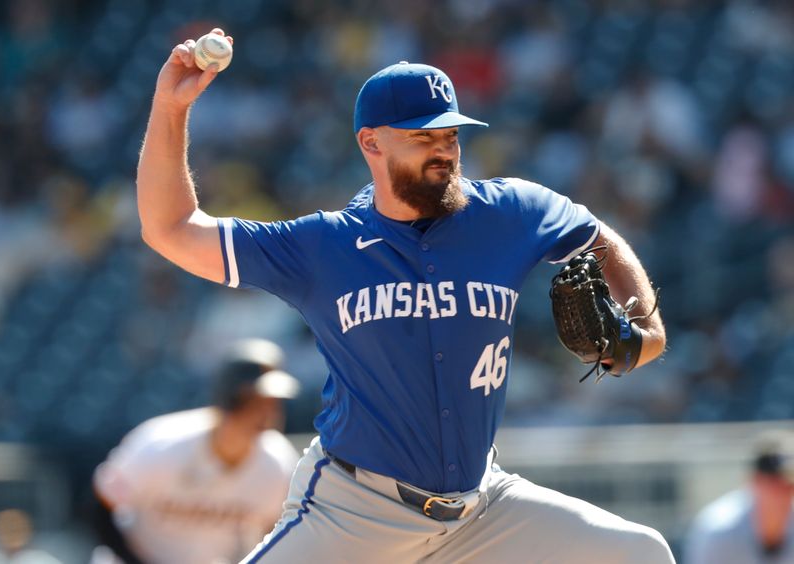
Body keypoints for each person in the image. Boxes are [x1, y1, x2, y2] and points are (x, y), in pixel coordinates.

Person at [136, 27, 673, 563]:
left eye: (451, 136)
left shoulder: (511, 212)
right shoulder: (325, 246)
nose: (442, 149)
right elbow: (173, 228)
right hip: (354, 512)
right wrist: (170, 107)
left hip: (482, 509)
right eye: (422, 137)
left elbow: (598, 236)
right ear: (371, 142)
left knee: (642, 553)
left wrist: (645, 328)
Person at [91, 339, 300, 564]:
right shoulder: (163, 444)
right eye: (255, 401)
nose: (267, 413)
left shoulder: (279, 464)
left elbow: (277, 535)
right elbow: (101, 505)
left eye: (272, 403)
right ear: (228, 398)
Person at [685, 430, 794, 563]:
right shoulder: (719, 531)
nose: (784, 494)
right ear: (754, 482)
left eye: (790, 486)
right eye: (775, 484)